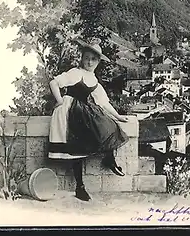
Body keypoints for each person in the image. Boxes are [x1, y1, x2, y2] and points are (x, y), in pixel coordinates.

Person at [47, 37, 129, 201]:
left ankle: (109, 158)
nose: (89, 62)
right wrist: (60, 100)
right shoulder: (75, 73)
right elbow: (54, 83)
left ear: (98, 62)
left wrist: (118, 116)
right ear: (82, 58)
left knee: (109, 125)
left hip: (83, 112)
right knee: (76, 149)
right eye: (86, 58)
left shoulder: (95, 81)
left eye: (93, 59)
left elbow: (104, 102)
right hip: (69, 112)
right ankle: (80, 187)